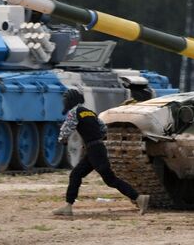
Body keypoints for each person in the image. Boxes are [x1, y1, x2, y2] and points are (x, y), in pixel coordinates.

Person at [52, 88, 148, 216]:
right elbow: (102, 129)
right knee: (76, 174)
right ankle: (68, 206)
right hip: (96, 149)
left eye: (65, 100)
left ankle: (139, 198)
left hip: (94, 151)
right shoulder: (90, 112)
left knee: (110, 179)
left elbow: (66, 130)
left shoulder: (74, 112)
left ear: (70, 101)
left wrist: (62, 140)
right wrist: (92, 140)